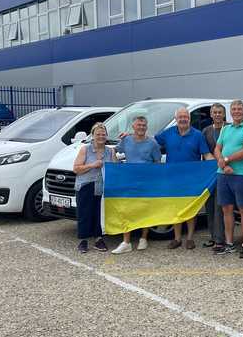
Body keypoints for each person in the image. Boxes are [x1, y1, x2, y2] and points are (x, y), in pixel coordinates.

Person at [156, 107, 214, 250]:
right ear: (176, 119)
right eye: (180, 117)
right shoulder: (168, 133)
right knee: (175, 208)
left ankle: (189, 238)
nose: (183, 119)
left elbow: (206, 155)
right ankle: (177, 239)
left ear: (189, 119)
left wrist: (217, 165)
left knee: (190, 209)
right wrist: (130, 136)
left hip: (191, 179)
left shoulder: (198, 135)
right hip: (172, 178)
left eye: (185, 117)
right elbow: (150, 141)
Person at [214, 100, 243, 258]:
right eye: (234, 109)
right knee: (226, 209)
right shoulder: (225, 129)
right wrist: (222, 162)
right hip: (223, 174)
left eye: (239, 109)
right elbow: (217, 148)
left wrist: (225, 160)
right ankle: (229, 243)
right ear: (230, 112)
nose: (236, 111)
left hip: (240, 175)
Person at [111, 116, 161, 254]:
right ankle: (126, 242)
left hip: (147, 181)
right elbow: (114, 150)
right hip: (129, 180)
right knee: (127, 210)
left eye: (144, 125)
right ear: (133, 127)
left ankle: (143, 239)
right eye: (139, 125)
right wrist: (116, 167)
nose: (141, 127)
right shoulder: (126, 140)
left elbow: (157, 163)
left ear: (147, 127)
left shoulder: (152, 143)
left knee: (145, 210)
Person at [73, 123, 114, 254]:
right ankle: (83, 241)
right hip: (86, 185)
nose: (101, 137)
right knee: (85, 213)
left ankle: (98, 239)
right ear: (93, 135)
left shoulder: (110, 151)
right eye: (98, 134)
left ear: (106, 136)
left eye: (103, 134)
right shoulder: (85, 149)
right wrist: (92, 165)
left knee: (99, 213)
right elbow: (76, 169)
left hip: (102, 187)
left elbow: (114, 169)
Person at [201, 103, 228, 253]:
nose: (217, 114)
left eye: (220, 112)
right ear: (211, 114)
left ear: (224, 114)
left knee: (220, 206)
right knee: (210, 205)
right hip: (209, 173)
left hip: (226, 171)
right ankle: (213, 236)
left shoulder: (229, 128)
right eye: (215, 112)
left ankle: (220, 239)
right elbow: (203, 151)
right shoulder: (206, 131)